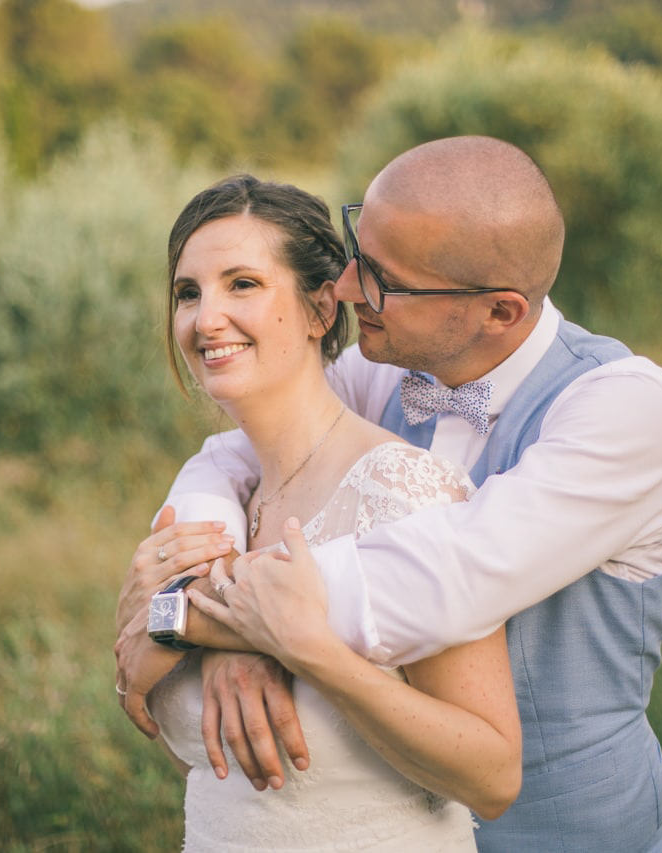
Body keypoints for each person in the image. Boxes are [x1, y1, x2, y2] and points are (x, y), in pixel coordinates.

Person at [119, 136, 662, 852]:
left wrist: (201, 613)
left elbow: (441, 578)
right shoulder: (384, 369)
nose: (349, 287)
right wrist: (207, 556)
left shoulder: (620, 405)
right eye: (361, 250)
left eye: (385, 280)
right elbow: (232, 453)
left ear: (500, 312)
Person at [115, 174, 522, 850]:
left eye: (242, 283)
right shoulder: (214, 495)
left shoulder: (406, 490)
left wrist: (305, 650)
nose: (205, 317)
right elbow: (154, 700)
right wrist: (192, 633)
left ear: (319, 310)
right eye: (188, 292)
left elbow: (494, 776)